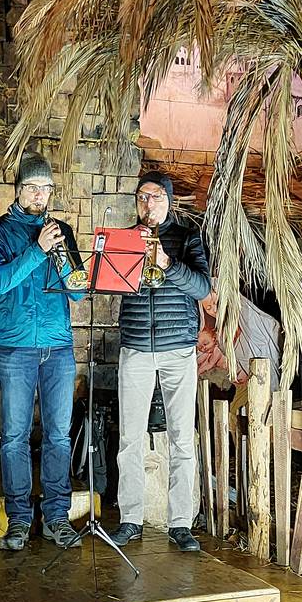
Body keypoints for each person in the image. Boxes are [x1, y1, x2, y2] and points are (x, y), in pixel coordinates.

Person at [0, 151, 85, 551]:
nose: (41, 195)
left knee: (59, 436)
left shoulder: (61, 232)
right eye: (33, 187)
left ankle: (56, 518)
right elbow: (0, 282)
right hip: (16, 349)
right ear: (19, 189)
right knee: (14, 438)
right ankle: (20, 519)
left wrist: (59, 255)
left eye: (47, 188)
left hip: (59, 348)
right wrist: (37, 250)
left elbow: (76, 291)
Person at [109, 172, 211, 553]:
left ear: (168, 201)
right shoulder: (123, 239)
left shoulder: (187, 238)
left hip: (177, 349)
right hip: (135, 346)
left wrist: (166, 262)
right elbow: (107, 284)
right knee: (129, 439)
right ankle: (131, 519)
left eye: (154, 197)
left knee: (183, 439)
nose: (147, 204)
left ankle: (181, 523)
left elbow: (202, 288)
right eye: (141, 198)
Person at [196, 287, 281, 389]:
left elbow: (262, 334)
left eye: (215, 302)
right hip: (247, 378)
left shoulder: (244, 311)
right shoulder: (218, 333)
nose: (214, 310)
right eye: (208, 308)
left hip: (260, 363)